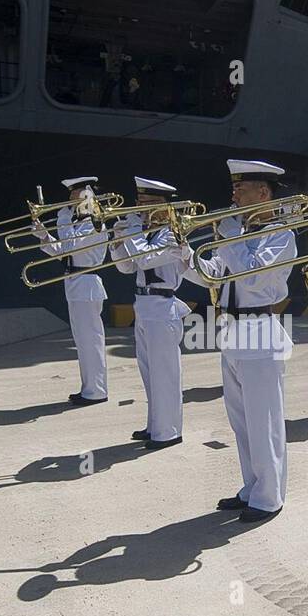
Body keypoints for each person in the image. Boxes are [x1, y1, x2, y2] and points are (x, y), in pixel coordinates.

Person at [182, 160, 295, 523]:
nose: (233, 195)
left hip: (260, 331)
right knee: (242, 420)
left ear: (262, 193)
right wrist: (182, 253)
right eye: (234, 189)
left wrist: (229, 237)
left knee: (264, 420)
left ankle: (269, 496)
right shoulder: (239, 234)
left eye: (240, 189)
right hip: (231, 332)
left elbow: (253, 279)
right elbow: (214, 275)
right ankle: (252, 486)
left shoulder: (281, 234)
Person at [111, 177, 190, 449]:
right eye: (139, 203)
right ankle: (155, 424)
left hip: (162, 306)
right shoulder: (145, 234)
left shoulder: (173, 234)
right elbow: (127, 268)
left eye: (146, 204)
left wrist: (132, 231)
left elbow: (146, 259)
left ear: (162, 205)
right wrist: (118, 241)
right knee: (149, 373)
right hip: (143, 306)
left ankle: (168, 432)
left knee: (165, 374)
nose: (140, 209)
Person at [35, 177, 110, 404]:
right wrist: (44, 236)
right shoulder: (77, 224)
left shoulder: (95, 223)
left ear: (86, 195)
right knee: (83, 341)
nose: (68, 200)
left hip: (86, 284)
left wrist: (62, 219)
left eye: (73, 195)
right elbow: (64, 252)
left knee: (91, 341)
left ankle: (97, 391)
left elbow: (73, 246)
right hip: (75, 283)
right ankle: (89, 388)